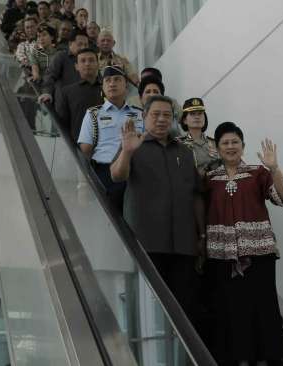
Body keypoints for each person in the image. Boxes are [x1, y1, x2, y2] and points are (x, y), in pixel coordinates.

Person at [110, 95, 205, 328]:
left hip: (184, 244)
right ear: (144, 116)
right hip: (146, 243)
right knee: (150, 311)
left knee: (186, 308)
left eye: (167, 115)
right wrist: (127, 152)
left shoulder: (184, 151)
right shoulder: (133, 145)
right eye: (156, 114)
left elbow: (196, 195)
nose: (162, 120)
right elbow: (117, 175)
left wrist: (202, 235)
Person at [204, 122, 283, 366]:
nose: (231, 146)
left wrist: (274, 168)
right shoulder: (210, 178)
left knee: (263, 306)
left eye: (235, 142)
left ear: (242, 146)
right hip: (222, 255)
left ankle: (268, 357)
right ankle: (239, 357)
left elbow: (282, 199)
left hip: (259, 253)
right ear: (218, 148)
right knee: (232, 309)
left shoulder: (258, 172)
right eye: (225, 143)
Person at [77, 66, 143, 211]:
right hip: (104, 175)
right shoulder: (93, 114)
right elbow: (84, 152)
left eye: (117, 80)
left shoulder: (140, 114)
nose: (112, 84)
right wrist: (82, 184)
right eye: (108, 81)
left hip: (136, 175)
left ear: (126, 85)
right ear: (103, 87)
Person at [54, 48, 103, 142]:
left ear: (98, 64)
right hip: (78, 148)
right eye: (83, 61)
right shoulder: (66, 92)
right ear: (76, 66)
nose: (87, 64)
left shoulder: (108, 89)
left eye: (91, 60)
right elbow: (62, 124)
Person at [39, 29, 89, 104]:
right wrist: (47, 93)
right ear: (70, 44)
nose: (83, 48)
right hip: (64, 105)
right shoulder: (61, 57)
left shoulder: (90, 59)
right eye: (80, 44)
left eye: (86, 45)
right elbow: (50, 75)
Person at [177, 98, 219, 175]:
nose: (197, 117)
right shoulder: (177, 144)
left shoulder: (215, 143)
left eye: (200, 113)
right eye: (192, 114)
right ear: (184, 120)